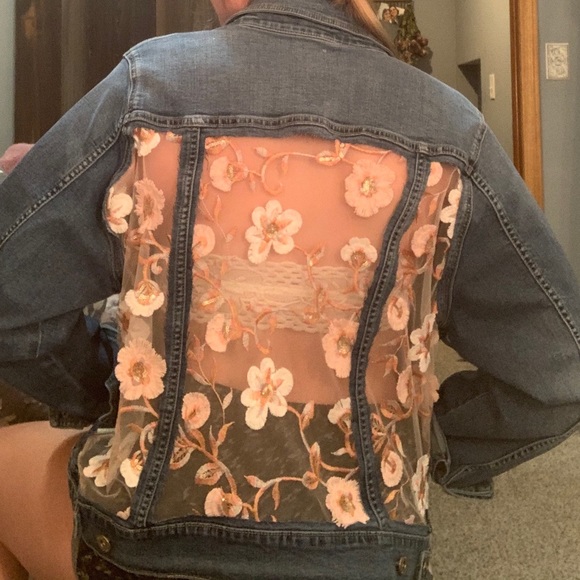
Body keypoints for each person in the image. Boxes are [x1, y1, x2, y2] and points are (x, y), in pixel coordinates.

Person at [0, 0, 579, 578]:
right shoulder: (451, 126)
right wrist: (424, 442)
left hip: (147, 543)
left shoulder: (147, 84)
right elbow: (561, 375)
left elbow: (11, 303)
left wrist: (108, 387)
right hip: (367, 556)